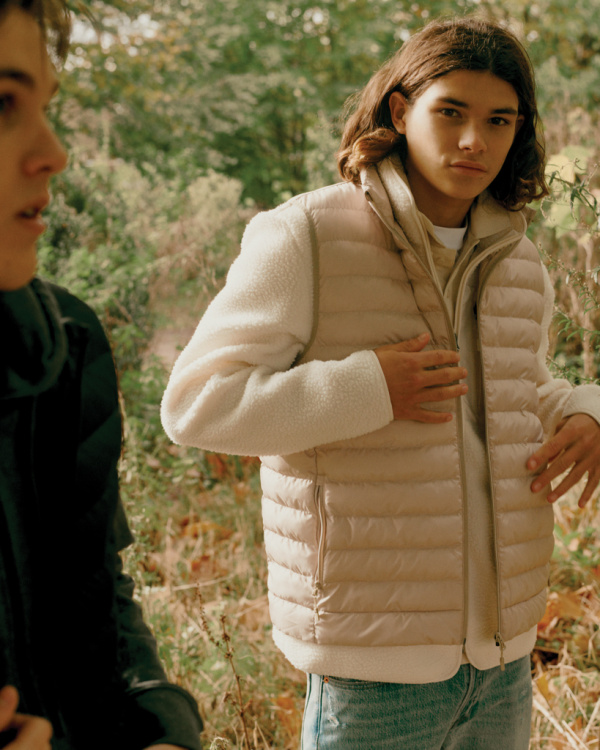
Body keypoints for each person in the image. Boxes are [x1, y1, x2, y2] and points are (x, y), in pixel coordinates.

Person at [160, 16, 600, 749]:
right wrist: (370, 388)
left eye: (499, 120)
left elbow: (518, 389)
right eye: (450, 112)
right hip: (370, 673)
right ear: (400, 111)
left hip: (503, 663)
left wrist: (586, 413)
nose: (474, 141)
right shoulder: (305, 235)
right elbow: (196, 405)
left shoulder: (519, 259)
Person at [0, 1, 204, 748]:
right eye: (3, 104)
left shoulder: (63, 346)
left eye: (46, 108)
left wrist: (157, 733)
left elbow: (96, 605)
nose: (53, 152)